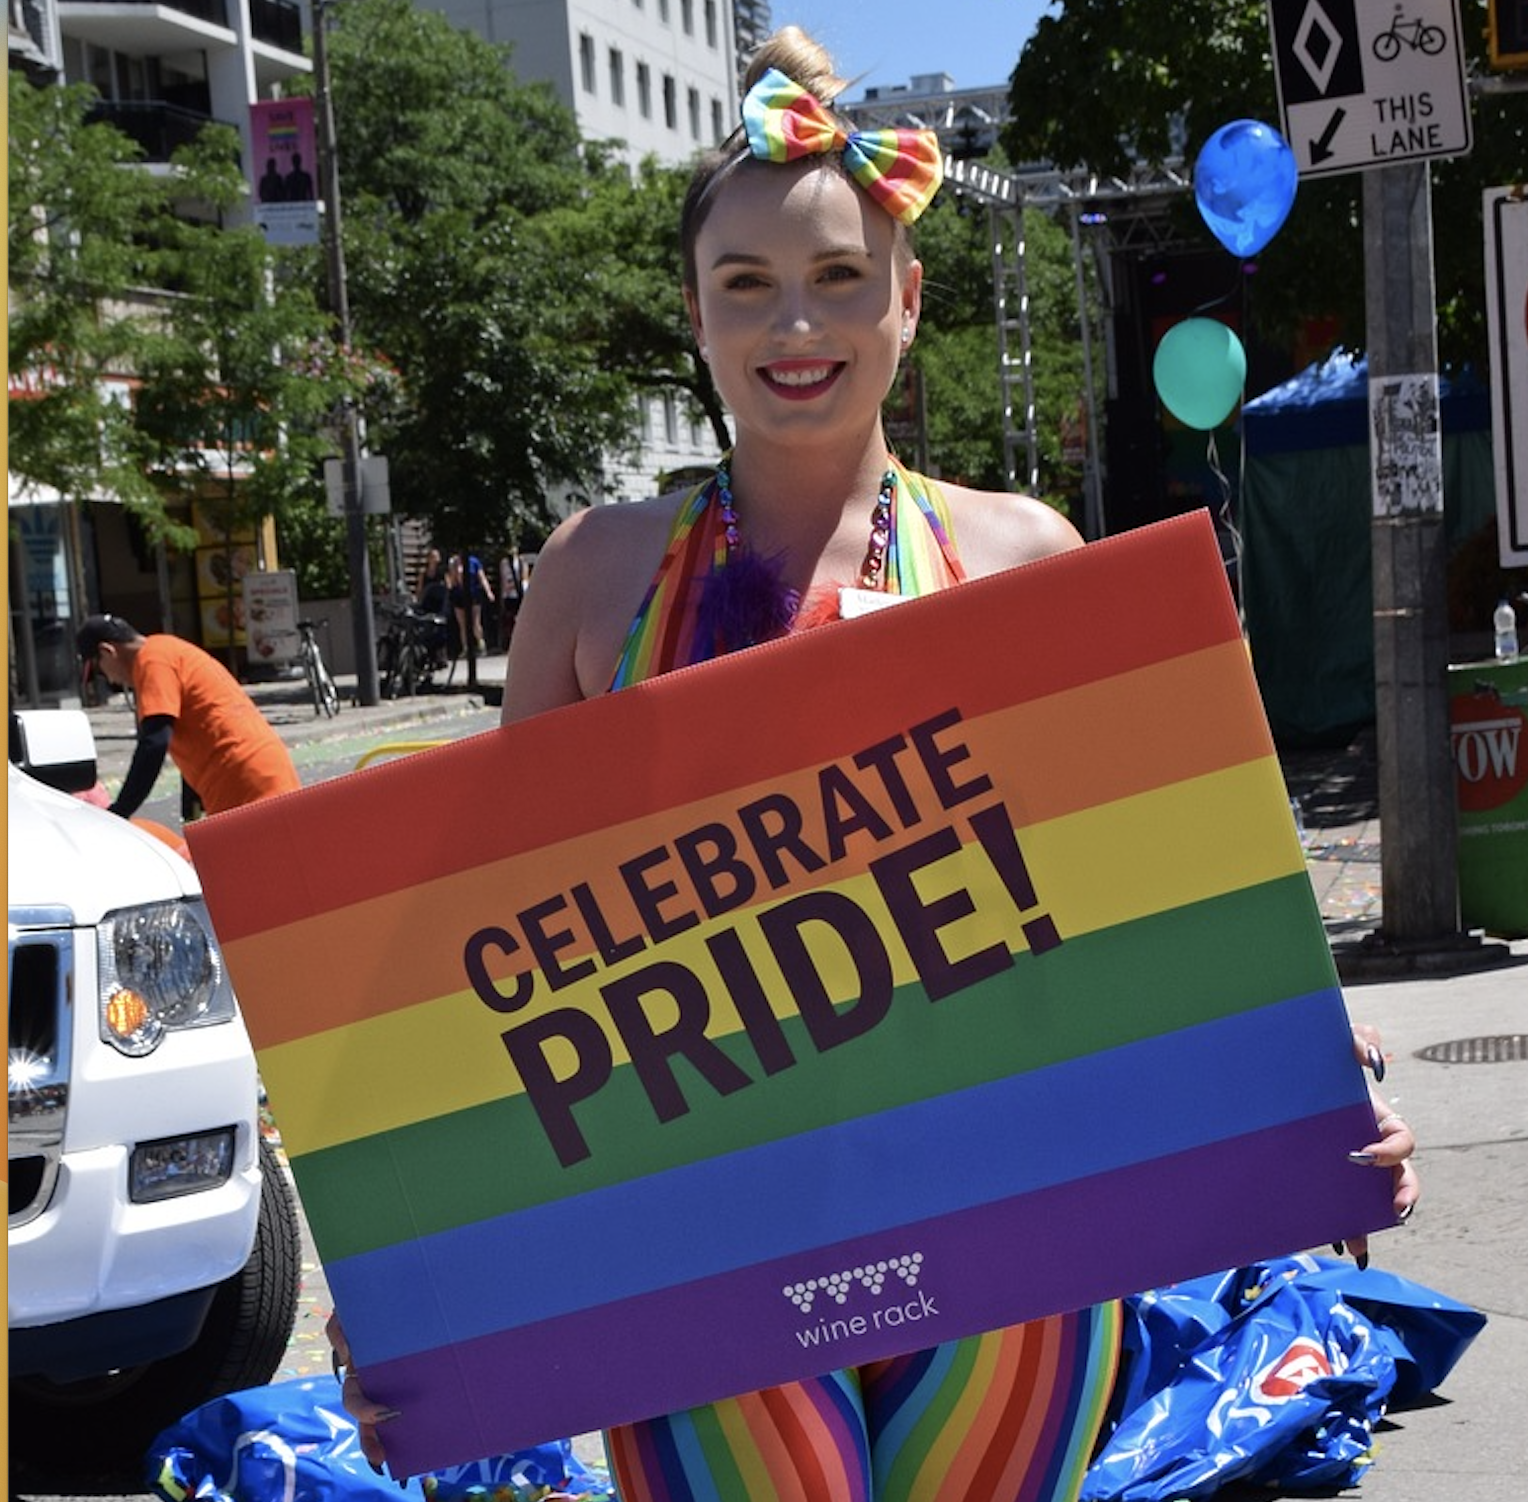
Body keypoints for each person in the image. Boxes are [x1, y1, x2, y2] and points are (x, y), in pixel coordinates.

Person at [332, 27, 1418, 1499]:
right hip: (700, 1240)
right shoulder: (596, 579)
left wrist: (1303, 1082)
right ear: (696, 315)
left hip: (1016, 1216)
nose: (798, 321)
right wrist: (408, 1266)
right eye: (749, 284)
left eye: (842, 276)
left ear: (910, 301)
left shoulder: (1022, 555)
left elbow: (1156, 881)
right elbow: (498, 955)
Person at [76, 614, 301, 819]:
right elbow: (198, 725)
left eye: (100, 672)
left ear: (108, 651)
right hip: (256, 771)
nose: (110, 680)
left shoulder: (152, 662)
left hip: (243, 780)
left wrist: (119, 812)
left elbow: (154, 742)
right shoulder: (166, 649)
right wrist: (191, 805)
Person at [447, 551, 494, 655]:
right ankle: (466, 648)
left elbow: (482, 577)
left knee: (475, 622)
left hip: (473, 594)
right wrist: (455, 570)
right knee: (462, 624)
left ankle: (481, 644)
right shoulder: (453, 562)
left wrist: (488, 592)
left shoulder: (474, 562)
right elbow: (453, 582)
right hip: (459, 595)